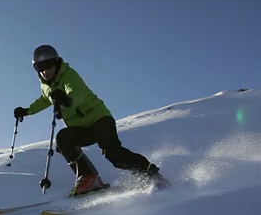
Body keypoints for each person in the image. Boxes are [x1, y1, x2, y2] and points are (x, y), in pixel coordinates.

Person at [14, 45, 162, 196]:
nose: (45, 71)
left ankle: (150, 172)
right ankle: (89, 177)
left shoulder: (68, 75)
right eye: (40, 67)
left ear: (56, 62)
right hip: (81, 128)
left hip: (99, 120)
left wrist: (67, 101)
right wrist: (27, 111)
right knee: (63, 139)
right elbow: (44, 100)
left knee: (114, 155)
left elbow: (77, 93)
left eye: (48, 65)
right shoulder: (46, 85)